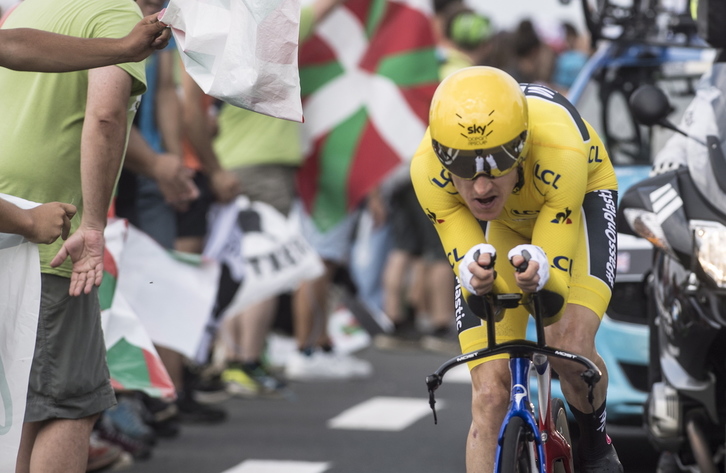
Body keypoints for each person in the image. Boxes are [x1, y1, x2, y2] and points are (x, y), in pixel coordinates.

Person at [410, 66, 623, 473]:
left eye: (497, 165)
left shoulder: (560, 148)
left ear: (522, 149)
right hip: (507, 224)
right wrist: (478, 278)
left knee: (569, 343)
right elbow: (471, 278)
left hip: (573, 202)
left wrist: (540, 277)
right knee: (490, 395)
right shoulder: (426, 171)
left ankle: (596, 446)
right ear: (442, 158)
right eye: (465, 171)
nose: (482, 188)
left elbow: (554, 291)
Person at [0, 0, 150, 471]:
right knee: (70, 402)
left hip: (12, 220)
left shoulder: (33, 6)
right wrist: (92, 226)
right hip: (45, 234)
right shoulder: (118, 13)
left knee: (24, 399)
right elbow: (104, 115)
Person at [0, 11, 169, 72]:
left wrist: (126, 48)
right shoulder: (119, 12)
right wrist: (125, 47)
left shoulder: (23, 8)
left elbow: (11, 45)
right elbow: (105, 116)